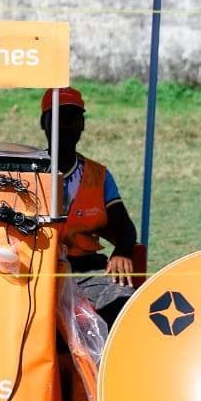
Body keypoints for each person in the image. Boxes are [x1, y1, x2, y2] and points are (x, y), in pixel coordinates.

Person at [41, 85, 137, 327]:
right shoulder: (28, 171)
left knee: (125, 302)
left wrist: (122, 252)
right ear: (44, 123)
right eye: (57, 117)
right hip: (39, 272)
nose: (65, 125)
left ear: (81, 125)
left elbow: (124, 226)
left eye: (72, 118)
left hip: (87, 272)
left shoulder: (99, 176)